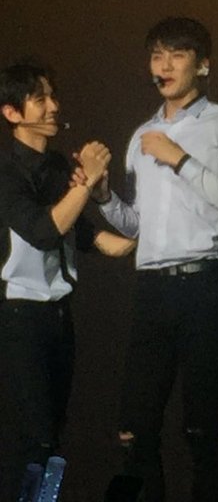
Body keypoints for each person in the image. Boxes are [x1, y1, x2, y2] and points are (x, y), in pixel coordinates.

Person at [84, 17, 218, 502]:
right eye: (157, 55)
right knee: (134, 426)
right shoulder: (143, 133)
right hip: (153, 289)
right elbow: (139, 225)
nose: (164, 65)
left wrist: (178, 157)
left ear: (202, 65)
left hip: (204, 285)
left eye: (177, 55)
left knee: (199, 423)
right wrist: (103, 196)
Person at [0, 62, 135, 502]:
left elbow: (82, 233)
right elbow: (44, 231)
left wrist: (146, 243)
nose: (54, 106)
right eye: (39, 99)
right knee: (34, 438)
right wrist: (86, 181)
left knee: (53, 436)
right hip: (18, 316)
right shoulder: (6, 173)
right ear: (11, 113)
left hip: (58, 317)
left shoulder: (58, 165)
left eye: (53, 96)